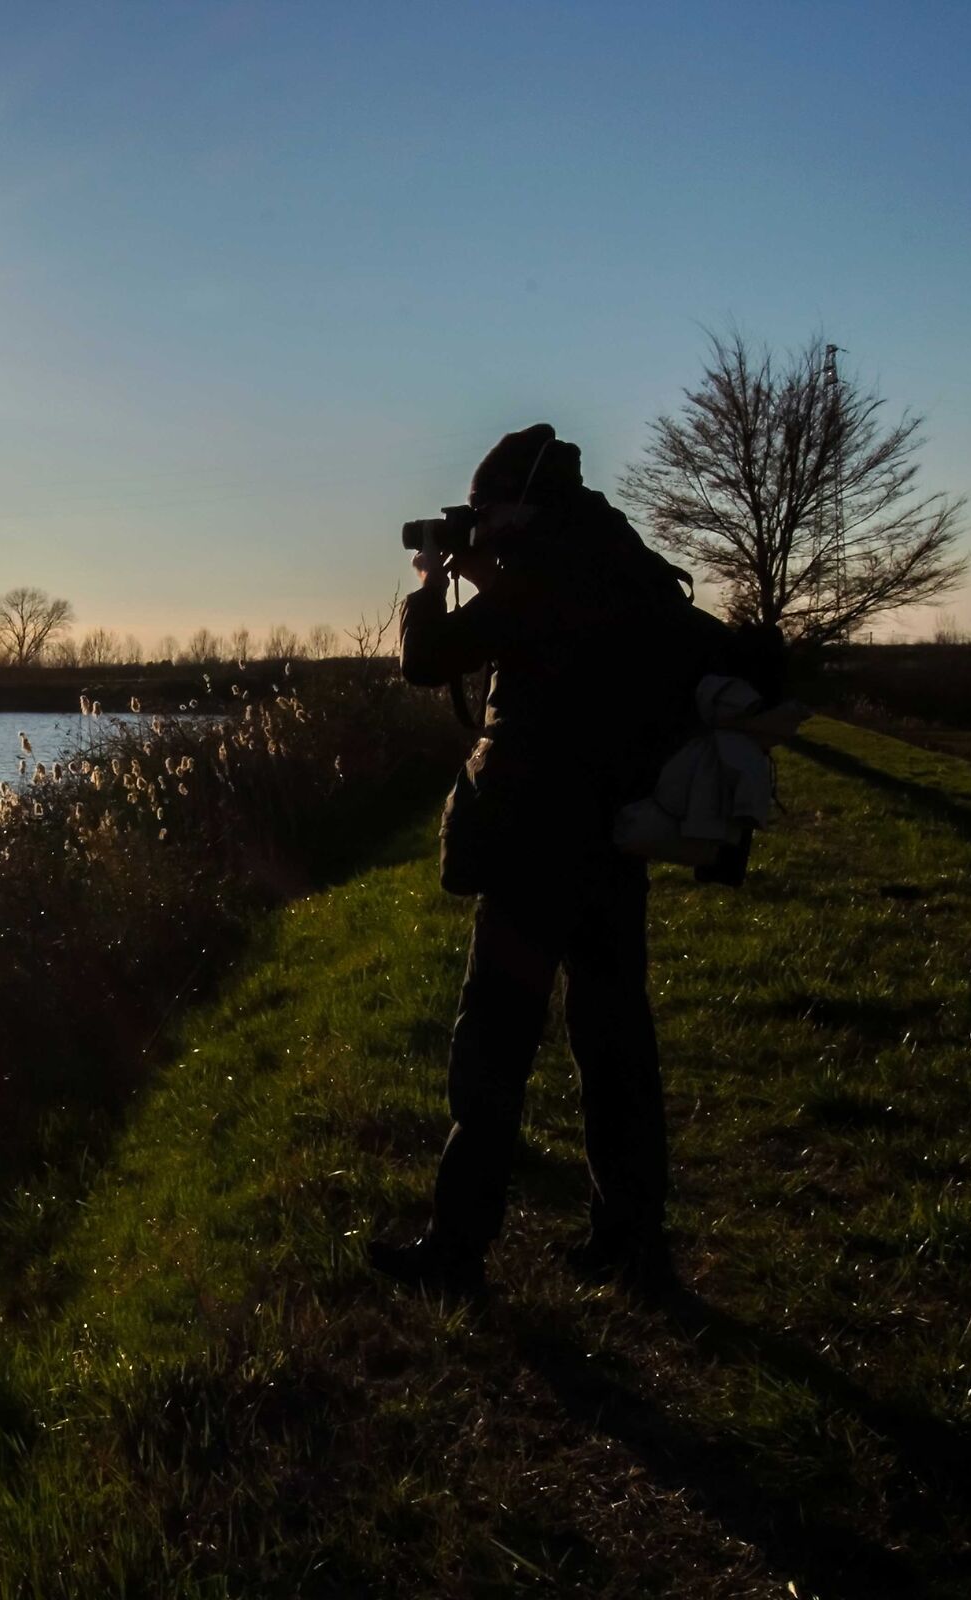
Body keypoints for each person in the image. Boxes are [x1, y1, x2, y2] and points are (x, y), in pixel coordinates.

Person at [369, 423, 694, 1299]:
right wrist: (492, 571)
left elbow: (428, 660)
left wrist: (431, 589)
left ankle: (456, 1250)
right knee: (614, 1040)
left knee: (493, 1050)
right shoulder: (616, 557)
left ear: (520, 504)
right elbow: (557, 643)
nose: (476, 524)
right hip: (615, 836)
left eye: (484, 510)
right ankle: (631, 1239)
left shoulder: (548, 568)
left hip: (533, 842)